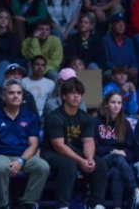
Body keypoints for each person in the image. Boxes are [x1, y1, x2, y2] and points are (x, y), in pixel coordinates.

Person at [42, 77, 109, 209]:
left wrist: (89, 159)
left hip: (77, 152)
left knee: (100, 164)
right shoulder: (55, 117)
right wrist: (80, 161)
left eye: (79, 93)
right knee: (68, 164)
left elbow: (88, 141)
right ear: (64, 96)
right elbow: (59, 145)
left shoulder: (85, 117)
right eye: (72, 93)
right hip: (52, 153)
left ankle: (97, 204)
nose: (76, 96)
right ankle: (63, 205)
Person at [0, 79, 51, 209]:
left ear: (23, 96)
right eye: (11, 93)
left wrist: (20, 161)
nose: (16, 96)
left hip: (24, 156)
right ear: (4, 96)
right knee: (0, 167)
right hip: (1, 155)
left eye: (19, 93)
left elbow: (33, 144)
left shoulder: (30, 116)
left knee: (42, 166)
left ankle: (28, 203)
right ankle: (2, 205)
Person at [95, 91, 139, 209]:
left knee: (116, 171)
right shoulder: (96, 122)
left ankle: (117, 207)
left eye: (119, 103)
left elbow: (131, 149)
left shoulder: (125, 123)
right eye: (113, 102)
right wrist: (112, 151)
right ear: (106, 104)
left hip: (120, 162)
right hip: (101, 160)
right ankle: (136, 190)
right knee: (117, 157)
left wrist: (124, 153)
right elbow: (94, 148)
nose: (116, 105)